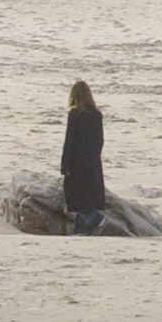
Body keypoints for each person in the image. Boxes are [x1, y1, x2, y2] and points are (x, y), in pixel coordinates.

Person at [60, 80, 106, 235]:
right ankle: (85, 224)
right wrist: (95, 156)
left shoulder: (75, 114)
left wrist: (64, 164)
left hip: (76, 160)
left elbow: (69, 141)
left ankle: (85, 224)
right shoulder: (97, 114)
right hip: (92, 160)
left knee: (76, 194)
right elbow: (100, 140)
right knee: (90, 194)